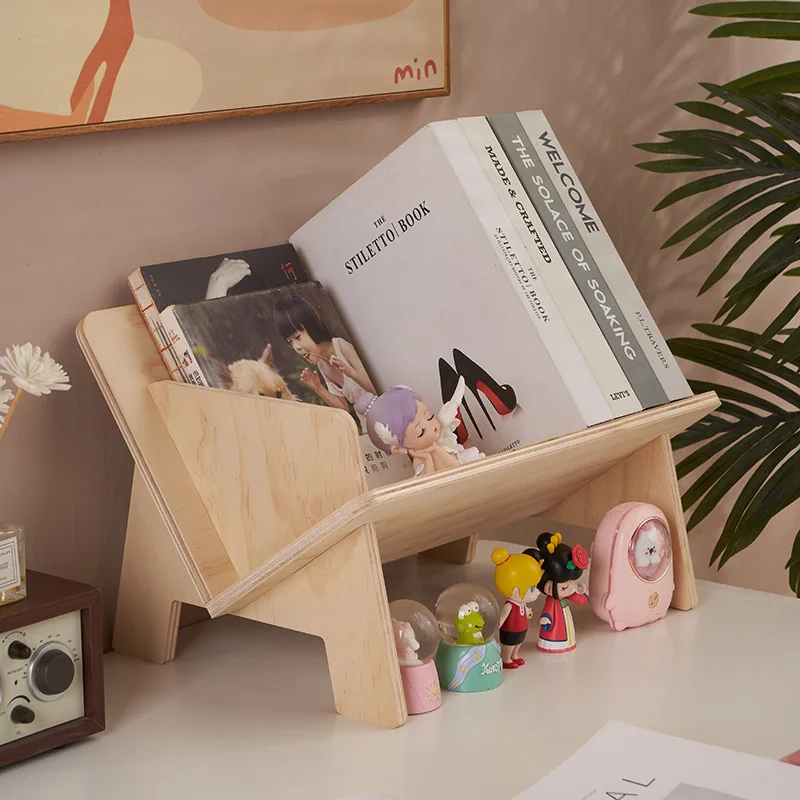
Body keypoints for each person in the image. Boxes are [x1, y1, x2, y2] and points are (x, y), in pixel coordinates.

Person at [273, 293, 375, 429]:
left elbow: (374, 387)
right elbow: (344, 408)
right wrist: (318, 387)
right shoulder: (322, 364)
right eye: (290, 342)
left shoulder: (341, 347)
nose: (296, 347)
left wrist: (349, 372)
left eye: (298, 337)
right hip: (369, 429)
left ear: (311, 324)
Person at [524, 532, 590, 654]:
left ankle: (567, 641)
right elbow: (548, 611)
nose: (569, 587)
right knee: (557, 631)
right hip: (555, 626)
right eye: (564, 587)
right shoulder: (552, 600)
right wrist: (546, 618)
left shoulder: (567, 593)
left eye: (571, 581)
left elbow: (582, 600)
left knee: (566, 629)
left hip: (565, 623)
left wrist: (582, 591)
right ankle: (555, 644)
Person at [491, 547, 544, 669]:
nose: (537, 591)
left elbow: (524, 611)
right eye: (531, 588)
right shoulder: (509, 605)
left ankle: (514, 655)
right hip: (510, 630)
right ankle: (506, 658)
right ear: (515, 591)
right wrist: (496, 625)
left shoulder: (522, 604)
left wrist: (528, 612)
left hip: (521, 628)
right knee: (509, 643)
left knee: (518, 642)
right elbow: (503, 617)